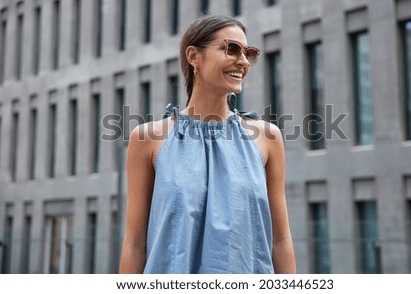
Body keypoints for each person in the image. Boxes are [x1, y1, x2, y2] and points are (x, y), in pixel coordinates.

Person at [119, 15, 296, 274]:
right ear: (194, 56)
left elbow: (281, 241)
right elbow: (135, 244)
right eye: (231, 49)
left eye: (248, 52)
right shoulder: (147, 139)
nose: (243, 61)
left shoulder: (267, 138)